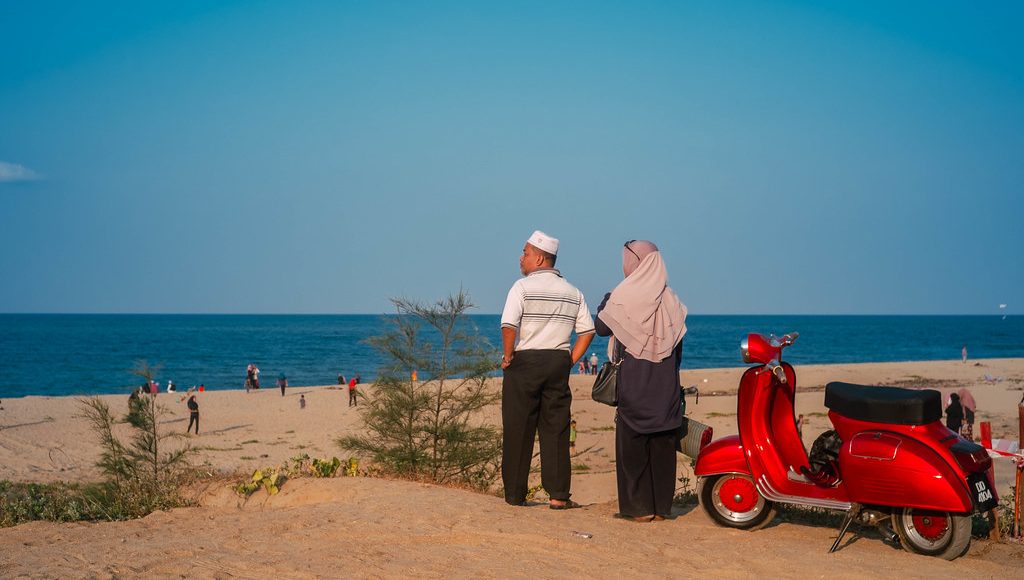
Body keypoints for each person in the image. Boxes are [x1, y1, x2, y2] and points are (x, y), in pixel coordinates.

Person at [500, 230, 594, 509]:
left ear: (540, 258)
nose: (521, 258)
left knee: (518, 428)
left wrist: (508, 356)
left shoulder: (521, 287)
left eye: (525, 253)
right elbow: (587, 331)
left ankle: (516, 495)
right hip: (557, 361)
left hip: (526, 360)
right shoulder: (573, 292)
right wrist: (570, 359)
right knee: (556, 428)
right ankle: (558, 495)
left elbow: (509, 325)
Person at [595, 240, 687, 523]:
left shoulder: (623, 295)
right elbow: (678, 347)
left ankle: (639, 509)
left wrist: (606, 299)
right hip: (665, 388)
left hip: (635, 385)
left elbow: (600, 326)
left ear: (636, 263)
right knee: (662, 448)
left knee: (632, 447)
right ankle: (661, 508)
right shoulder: (671, 299)